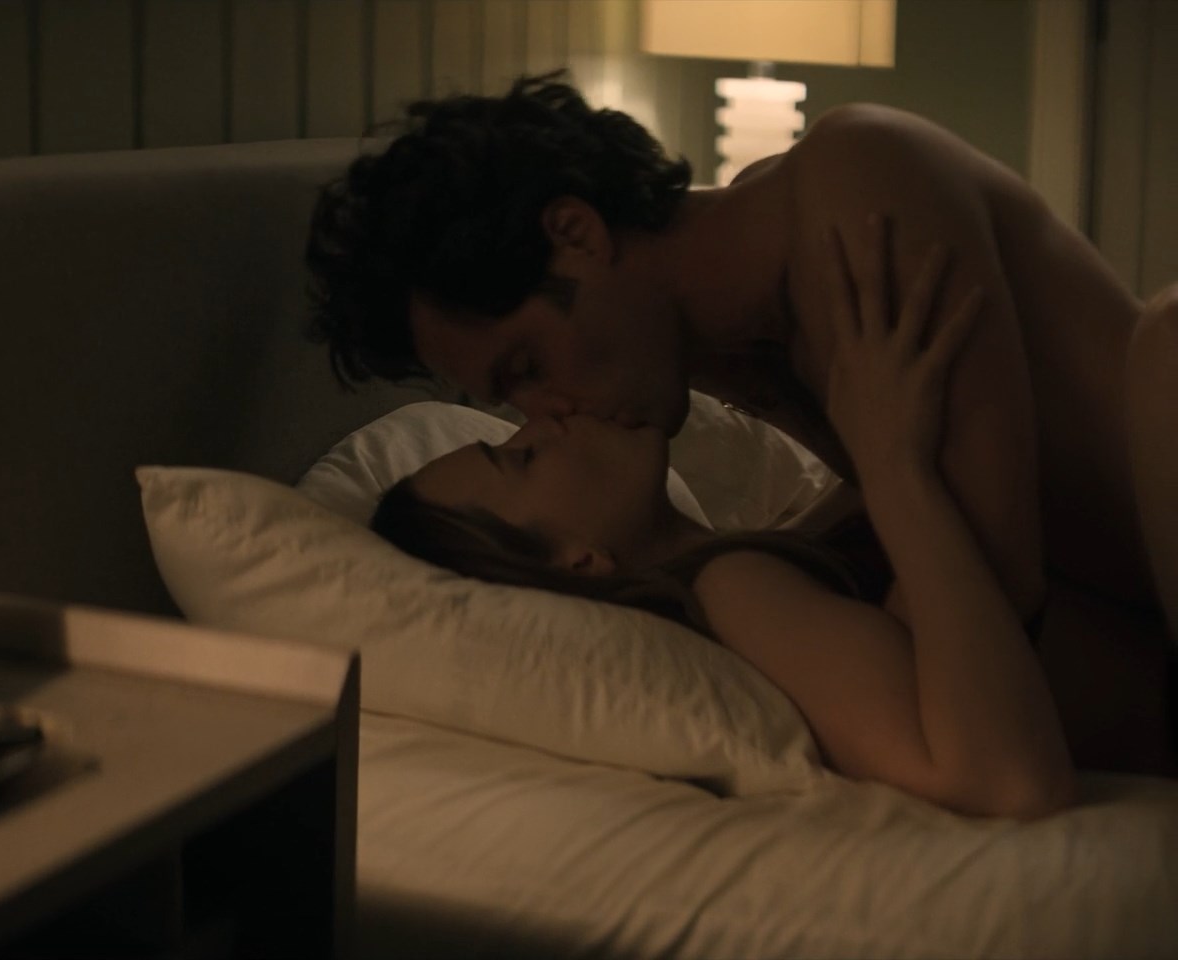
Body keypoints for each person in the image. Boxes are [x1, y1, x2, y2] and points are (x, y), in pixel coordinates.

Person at [305, 72, 1178, 675]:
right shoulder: (713, 344)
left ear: (577, 235)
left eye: (528, 367)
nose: (547, 411)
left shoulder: (855, 188)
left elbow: (998, 588)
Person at [370, 219, 1174, 819]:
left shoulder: (754, 555)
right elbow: (1006, 781)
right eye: (520, 459)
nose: (544, 419)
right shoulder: (734, 589)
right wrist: (896, 464)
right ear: (576, 560)